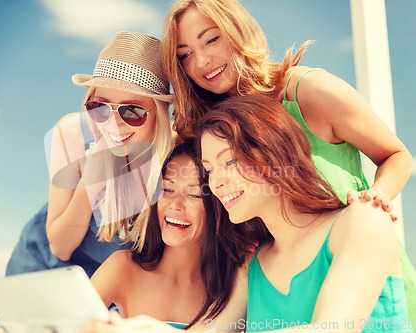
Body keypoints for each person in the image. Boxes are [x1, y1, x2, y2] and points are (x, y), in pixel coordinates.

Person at [161, 0, 415, 321]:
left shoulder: (309, 90)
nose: (202, 61)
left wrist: (376, 198)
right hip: (282, 289)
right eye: (185, 55)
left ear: (237, 31)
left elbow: (397, 155)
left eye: (211, 39)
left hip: (358, 273)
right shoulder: (211, 131)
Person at [82, 95, 411, 333]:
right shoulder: (253, 267)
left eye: (230, 162)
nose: (218, 182)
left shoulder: (362, 221)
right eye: (210, 169)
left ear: (275, 152)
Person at [5, 31, 174, 277]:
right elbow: (60, 248)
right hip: (44, 268)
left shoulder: (175, 153)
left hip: (118, 284)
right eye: (100, 107)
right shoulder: (72, 133)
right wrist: (90, 182)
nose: (114, 124)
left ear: (160, 112)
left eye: (133, 111)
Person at [90, 141, 252, 331]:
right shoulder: (123, 267)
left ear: (218, 205)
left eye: (194, 194)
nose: (176, 205)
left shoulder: (235, 278)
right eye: (167, 190)